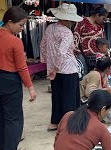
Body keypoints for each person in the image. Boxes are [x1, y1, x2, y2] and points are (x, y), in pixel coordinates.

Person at [0, 6, 37, 150]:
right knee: (14, 118)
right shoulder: (14, 41)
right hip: (9, 81)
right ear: (10, 22)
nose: (22, 29)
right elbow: (21, 67)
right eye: (20, 25)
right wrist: (30, 87)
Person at [40, 3, 82, 131]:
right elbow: (62, 52)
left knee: (57, 96)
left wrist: (49, 64)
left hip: (54, 69)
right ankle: (68, 125)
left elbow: (43, 46)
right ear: (67, 19)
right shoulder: (67, 32)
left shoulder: (50, 28)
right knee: (69, 99)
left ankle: (55, 122)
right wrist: (56, 68)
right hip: (67, 69)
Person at [74, 6, 108, 75]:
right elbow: (76, 36)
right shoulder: (82, 22)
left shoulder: (100, 26)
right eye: (103, 18)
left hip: (96, 58)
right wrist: (76, 52)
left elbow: (103, 40)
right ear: (97, 15)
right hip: (83, 55)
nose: (103, 21)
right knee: (85, 76)